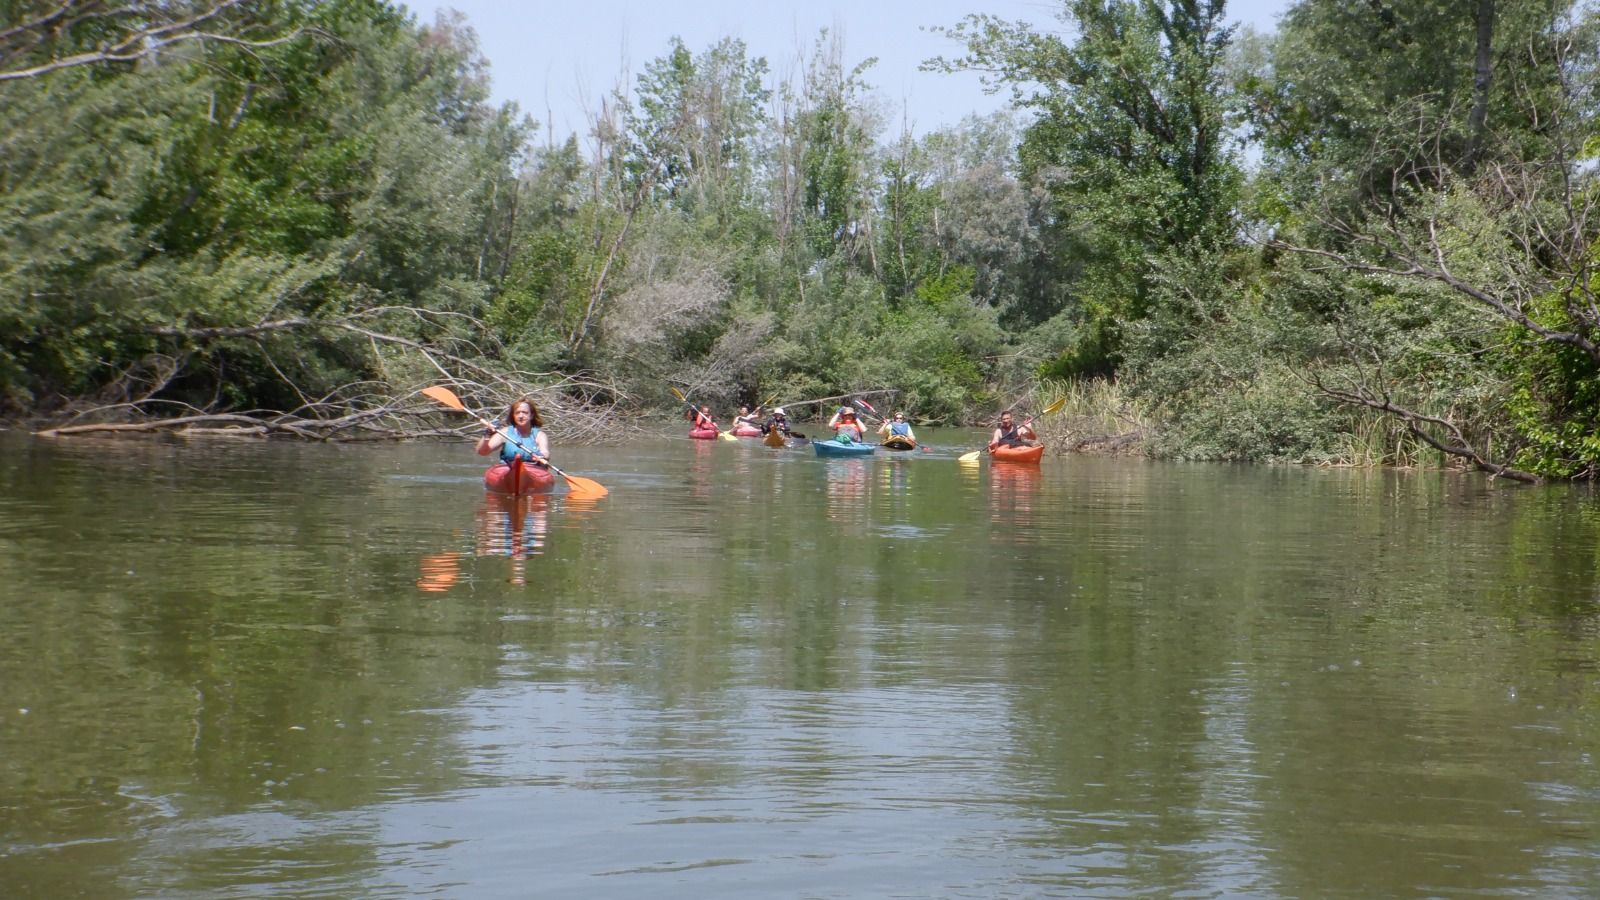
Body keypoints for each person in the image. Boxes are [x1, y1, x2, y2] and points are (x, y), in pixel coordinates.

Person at [478, 397, 550, 465]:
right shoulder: (504, 433)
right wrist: (487, 435)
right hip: (508, 468)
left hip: (532, 468)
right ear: (513, 416)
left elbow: (545, 452)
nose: (521, 416)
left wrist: (542, 456)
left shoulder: (540, 435)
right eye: (517, 413)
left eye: (525, 412)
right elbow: (483, 452)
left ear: (531, 415)